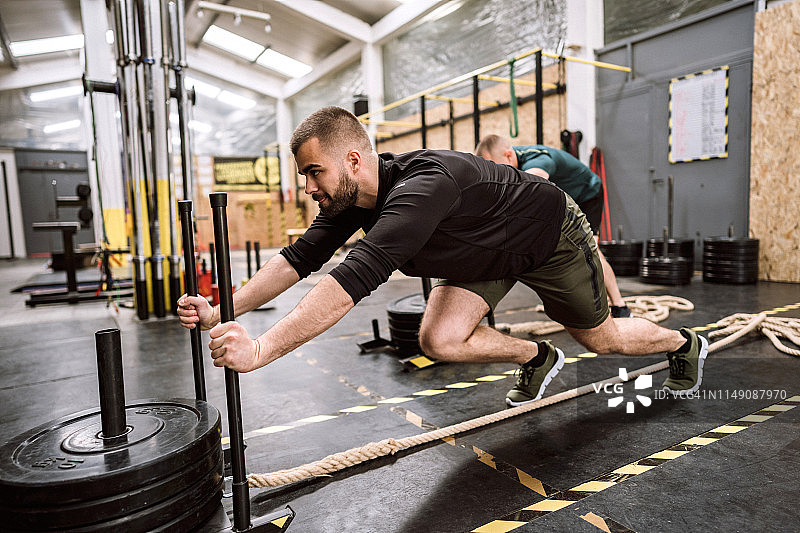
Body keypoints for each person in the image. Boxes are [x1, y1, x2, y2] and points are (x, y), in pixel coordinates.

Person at [178, 106, 708, 407]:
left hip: (547, 235)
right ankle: (535, 358)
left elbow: (350, 280)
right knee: (439, 339)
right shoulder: (349, 199)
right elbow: (296, 260)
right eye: (306, 176)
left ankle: (687, 343)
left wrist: (261, 350)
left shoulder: (422, 186)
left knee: (602, 338)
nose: (310, 186)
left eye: (315, 172)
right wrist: (223, 309)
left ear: (354, 159)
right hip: (485, 255)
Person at [474, 135, 631, 318]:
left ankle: (620, 306)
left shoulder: (537, 159)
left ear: (508, 155)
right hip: (566, 199)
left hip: (587, 195)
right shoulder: (515, 159)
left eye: (496, 166)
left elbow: (532, 183)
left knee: (592, 251)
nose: (496, 173)